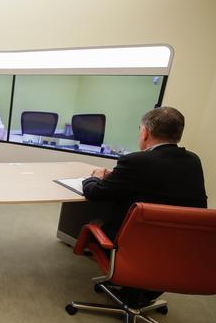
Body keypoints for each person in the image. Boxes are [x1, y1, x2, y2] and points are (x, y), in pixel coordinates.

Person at [82, 106, 207, 306]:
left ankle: (130, 282)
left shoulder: (135, 161)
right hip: (180, 248)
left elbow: (95, 193)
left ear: (145, 132)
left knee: (97, 224)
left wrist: (94, 177)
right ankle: (141, 291)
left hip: (133, 245)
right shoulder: (193, 161)